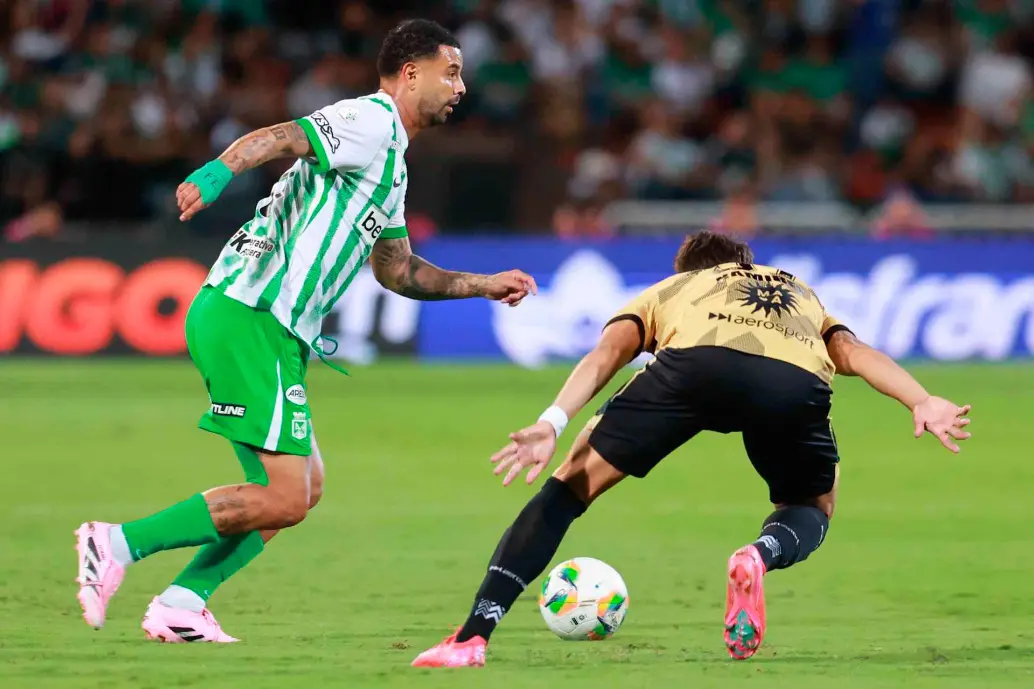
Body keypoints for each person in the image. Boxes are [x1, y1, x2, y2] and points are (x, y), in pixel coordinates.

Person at [74, 19, 537, 644]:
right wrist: (217, 172)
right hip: (250, 314)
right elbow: (280, 137)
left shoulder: (391, 163)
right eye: (450, 71)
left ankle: (182, 601)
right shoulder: (370, 121)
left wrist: (484, 285)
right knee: (285, 496)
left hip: (272, 329)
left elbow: (398, 270)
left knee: (302, 488)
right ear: (409, 74)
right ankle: (116, 544)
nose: (461, 85)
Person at [412, 231, 971, 667]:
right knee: (813, 506)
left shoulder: (673, 288)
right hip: (792, 382)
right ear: (745, 264)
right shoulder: (799, 291)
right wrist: (920, 400)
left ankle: (472, 636)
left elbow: (609, 353)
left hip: (691, 370)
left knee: (571, 485)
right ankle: (761, 553)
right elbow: (851, 351)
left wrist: (552, 422)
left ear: (691, 272)